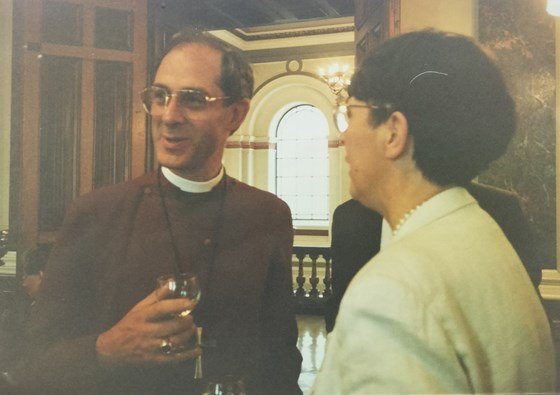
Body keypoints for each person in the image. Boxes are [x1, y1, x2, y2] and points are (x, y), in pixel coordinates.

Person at [12, 29, 302, 394]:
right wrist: (105, 349)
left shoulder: (268, 215)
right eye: (160, 96)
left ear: (235, 114)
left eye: (193, 99)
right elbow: (30, 366)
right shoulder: (95, 214)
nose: (169, 115)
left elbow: (281, 360)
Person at [312, 29, 556, 394]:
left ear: (393, 131)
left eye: (351, 114)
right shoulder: (484, 236)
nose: (343, 137)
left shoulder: (391, 292)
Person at [325, 182, 542, 332]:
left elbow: (527, 288)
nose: (345, 137)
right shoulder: (350, 217)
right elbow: (340, 306)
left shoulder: (501, 209)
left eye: (350, 118)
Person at [0, 245, 51, 372]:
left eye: (26, 273)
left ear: (41, 276)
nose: (23, 279)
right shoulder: (19, 309)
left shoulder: (21, 312)